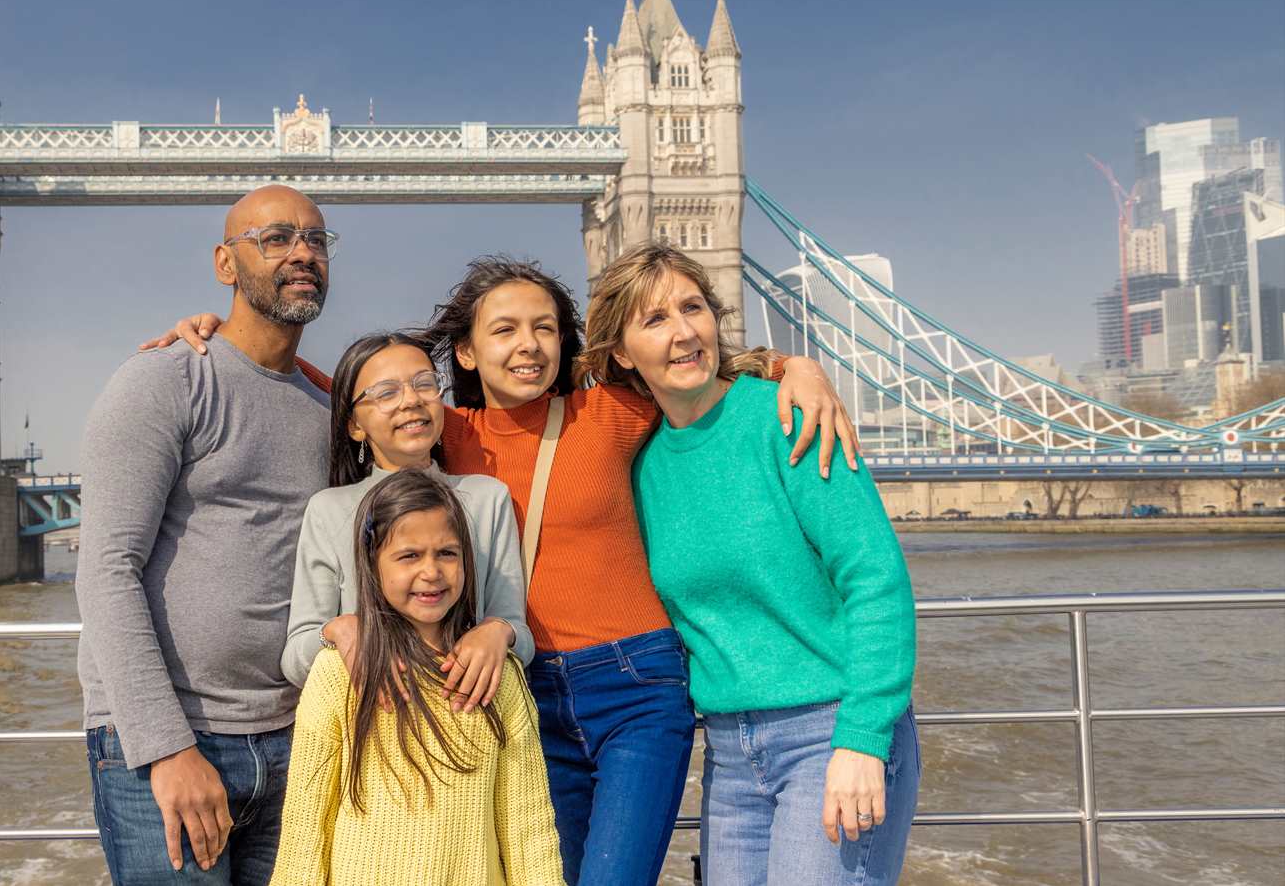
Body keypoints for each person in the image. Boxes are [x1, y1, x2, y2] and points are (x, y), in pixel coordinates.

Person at [149, 258, 857, 886]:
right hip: (521, 693)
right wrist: (224, 337)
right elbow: (364, 391)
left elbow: (690, 371)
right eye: (506, 329)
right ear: (466, 350)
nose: (529, 345)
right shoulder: (448, 431)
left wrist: (793, 366)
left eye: (545, 328)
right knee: (541, 865)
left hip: (635, 685)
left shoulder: (611, 409)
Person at [579, 244, 919, 886]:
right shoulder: (639, 463)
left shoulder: (787, 417)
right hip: (731, 754)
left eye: (694, 307)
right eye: (654, 320)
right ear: (621, 351)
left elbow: (876, 581)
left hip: (832, 729)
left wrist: (864, 737)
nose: (684, 332)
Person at [75, 184, 340, 885]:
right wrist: (167, 749)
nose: (301, 252)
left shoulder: (329, 410)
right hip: (173, 745)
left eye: (315, 239)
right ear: (226, 264)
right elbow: (104, 569)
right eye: (276, 238)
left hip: (293, 744)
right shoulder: (163, 381)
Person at [269, 469, 566, 886]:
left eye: (447, 553)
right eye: (409, 555)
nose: (431, 571)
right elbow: (305, 829)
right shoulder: (337, 672)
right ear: (372, 565)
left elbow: (529, 830)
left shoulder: (498, 676)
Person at [284, 332, 534, 708]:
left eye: (424, 384)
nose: (412, 400)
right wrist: (338, 630)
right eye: (386, 392)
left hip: (469, 719)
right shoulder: (330, 510)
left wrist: (499, 631)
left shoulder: (486, 497)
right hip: (372, 732)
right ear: (354, 425)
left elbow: (518, 631)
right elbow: (295, 656)